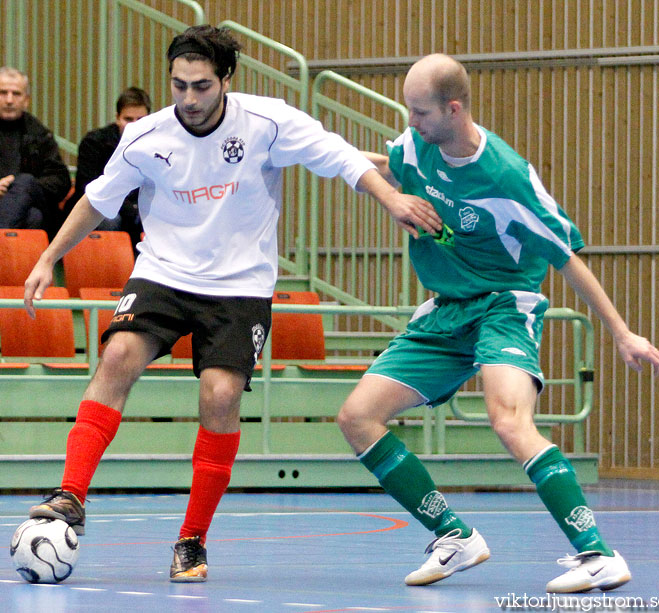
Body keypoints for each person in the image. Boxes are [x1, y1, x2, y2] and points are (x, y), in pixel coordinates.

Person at [23, 25, 441, 583]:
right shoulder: (146, 136)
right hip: (164, 271)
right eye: (178, 86)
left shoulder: (269, 123)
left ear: (226, 79)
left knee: (219, 395)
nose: (189, 100)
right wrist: (48, 258)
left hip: (239, 285)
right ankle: (70, 494)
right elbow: (99, 198)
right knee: (119, 353)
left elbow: (343, 159)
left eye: (200, 86)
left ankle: (192, 540)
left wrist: (392, 199)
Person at [336, 54, 659, 594]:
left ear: (454, 108)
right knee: (356, 417)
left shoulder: (507, 180)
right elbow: (392, 167)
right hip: (446, 309)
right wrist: (330, 159)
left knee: (509, 420)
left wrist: (622, 332)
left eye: (419, 112)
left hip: (503, 305)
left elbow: (568, 258)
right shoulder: (418, 141)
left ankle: (598, 555)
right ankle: (454, 536)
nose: (410, 122)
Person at [0, 67, 71, 237]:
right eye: (3, 93)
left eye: (16, 94)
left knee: (24, 182)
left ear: (26, 100)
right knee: (33, 218)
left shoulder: (39, 134)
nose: (9, 100)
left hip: (32, 204)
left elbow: (60, 180)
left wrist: (22, 186)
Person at [64, 87, 151, 246]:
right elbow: (88, 186)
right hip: (101, 207)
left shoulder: (158, 146)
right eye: (128, 119)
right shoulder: (94, 143)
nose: (134, 125)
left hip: (139, 209)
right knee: (110, 219)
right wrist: (132, 210)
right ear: (117, 118)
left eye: (140, 120)